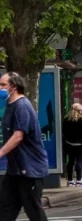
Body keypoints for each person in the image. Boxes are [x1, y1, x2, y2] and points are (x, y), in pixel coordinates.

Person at [0, 72, 49, 221]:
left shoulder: (21, 106)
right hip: (15, 170)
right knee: (4, 210)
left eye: (3, 85)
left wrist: (0, 152)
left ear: (13, 87)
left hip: (30, 170)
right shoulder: (10, 105)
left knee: (34, 211)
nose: (0, 88)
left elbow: (18, 136)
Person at [62, 103, 82, 187]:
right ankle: (79, 180)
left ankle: (70, 181)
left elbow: (64, 131)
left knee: (70, 161)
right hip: (80, 144)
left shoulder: (67, 119)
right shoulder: (81, 120)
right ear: (80, 111)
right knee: (79, 162)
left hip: (69, 144)